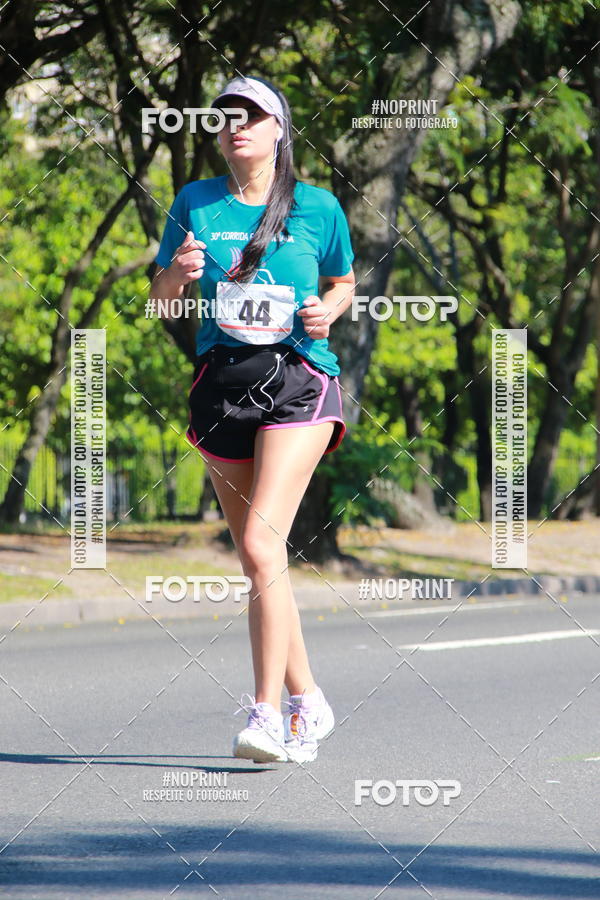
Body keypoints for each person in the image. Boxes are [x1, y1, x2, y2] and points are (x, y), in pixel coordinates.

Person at [149, 75, 355, 763]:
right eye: (226, 116)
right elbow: (159, 301)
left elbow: (343, 281)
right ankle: (309, 699)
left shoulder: (318, 207)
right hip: (223, 385)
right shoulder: (195, 203)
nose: (237, 124)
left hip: (300, 380)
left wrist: (332, 310)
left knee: (264, 548)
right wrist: (177, 274)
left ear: (279, 130)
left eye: (253, 115)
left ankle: (265, 714)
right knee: (259, 559)